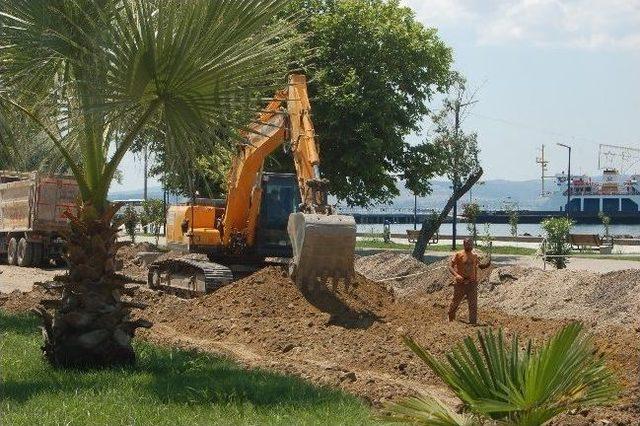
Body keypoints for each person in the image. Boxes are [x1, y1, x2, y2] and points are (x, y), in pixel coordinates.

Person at [447, 238, 491, 324]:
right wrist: (457, 275)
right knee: (455, 302)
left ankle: (473, 323)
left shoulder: (474, 256)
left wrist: (487, 264)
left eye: (471, 244)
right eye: (468, 244)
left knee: (473, 304)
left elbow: (479, 266)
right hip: (461, 283)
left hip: (472, 284)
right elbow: (450, 266)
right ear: (464, 244)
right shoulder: (458, 254)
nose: (470, 245)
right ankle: (450, 319)